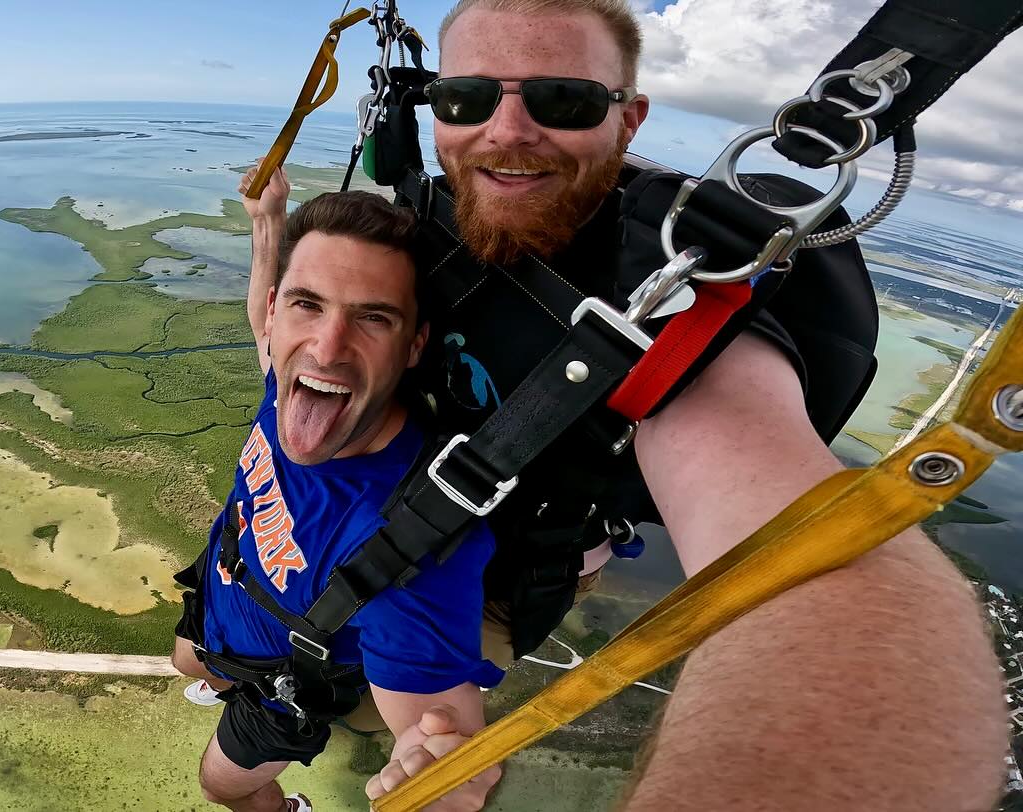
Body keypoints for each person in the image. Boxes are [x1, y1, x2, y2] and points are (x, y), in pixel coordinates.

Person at [248, 0, 1008, 808]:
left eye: (562, 101)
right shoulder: (429, 225)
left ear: (629, 118)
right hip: (373, 515)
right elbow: (279, 333)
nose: (505, 130)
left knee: (358, 708)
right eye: (466, 99)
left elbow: (818, 566)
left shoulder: (669, 289)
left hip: (497, 577)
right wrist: (270, 234)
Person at [170, 190, 507, 812]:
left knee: (221, 785)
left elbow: (438, 725)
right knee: (188, 661)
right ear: (278, 314)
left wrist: (445, 778)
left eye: (374, 317)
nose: (326, 348)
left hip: (284, 688)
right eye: (307, 304)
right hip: (225, 605)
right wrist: (269, 219)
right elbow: (260, 321)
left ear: (414, 346)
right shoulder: (284, 378)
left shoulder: (408, 538)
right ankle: (216, 674)